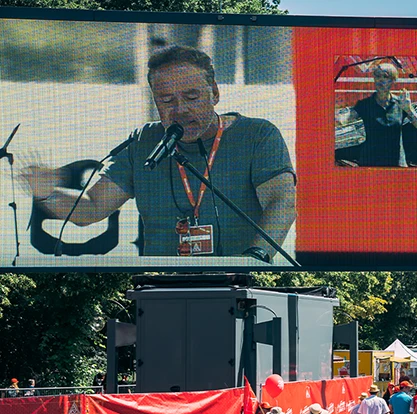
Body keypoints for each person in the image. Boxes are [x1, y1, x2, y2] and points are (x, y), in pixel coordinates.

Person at [23, 45, 296, 261]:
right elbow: (92, 208)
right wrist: (47, 193)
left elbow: (282, 202)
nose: (180, 110)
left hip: (238, 282)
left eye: (191, 97)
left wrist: (256, 257)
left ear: (214, 92)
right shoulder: (145, 141)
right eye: (166, 101)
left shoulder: (258, 134)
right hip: (161, 285)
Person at [336, 62, 417, 167]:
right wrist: (339, 116)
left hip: (397, 164)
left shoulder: (401, 103)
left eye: (385, 76)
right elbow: (343, 119)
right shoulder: (365, 104)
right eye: (377, 76)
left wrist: (409, 110)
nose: (381, 80)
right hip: (370, 164)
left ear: (393, 80)